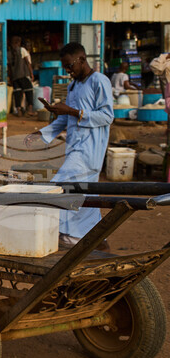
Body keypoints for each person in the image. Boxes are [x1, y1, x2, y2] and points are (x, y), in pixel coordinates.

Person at [26, 42, 113, 246]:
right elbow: (66, 120)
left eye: (70, 65)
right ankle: (98, 238)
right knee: (86, 193)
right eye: (65, 67)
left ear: (82, 59)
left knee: (61, 186)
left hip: (90, 149)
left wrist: (73, 111)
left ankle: (64, 234)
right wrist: (42, 132)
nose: (68, 71)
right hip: (75, 147)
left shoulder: (99, 81)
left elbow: (107, 116)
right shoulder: (73, 86)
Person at [7, 36, 34, 116]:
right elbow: (27, 63)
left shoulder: (8, 53)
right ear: (18, 43)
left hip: (15, 77)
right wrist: (31, 74)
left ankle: (18, 110)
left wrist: (11, 78)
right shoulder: (22, 50)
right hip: (23, 75)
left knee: (17, 93)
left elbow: (9, 68)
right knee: (29, 90)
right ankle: (30, 109)